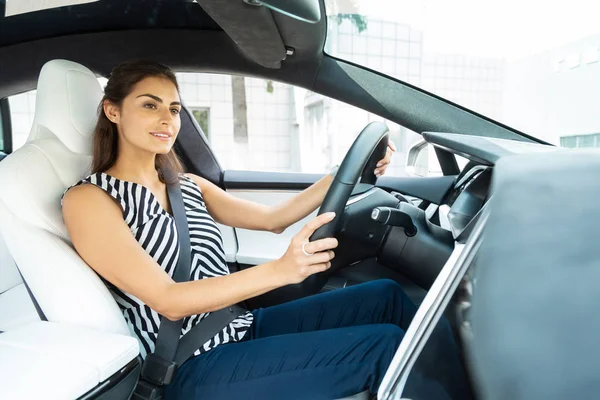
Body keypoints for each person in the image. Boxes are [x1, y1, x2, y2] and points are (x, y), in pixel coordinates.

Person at [61, 60, 453, 400]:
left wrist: (345, 174)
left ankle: (465, 386)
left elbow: (273, 220)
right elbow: (169, 299)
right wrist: (282, 270)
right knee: (381, 348)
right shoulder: (91, 200)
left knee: (385, 296)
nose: (167, 120)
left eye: (175, 109)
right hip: (187, 365)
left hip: (238, 327)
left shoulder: (186, 186)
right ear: (113, 111)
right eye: (150, 105)